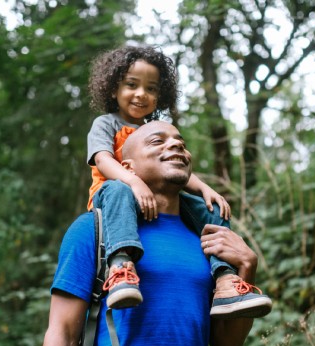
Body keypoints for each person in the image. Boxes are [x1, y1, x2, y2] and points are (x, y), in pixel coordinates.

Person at [40, 121, 272, 346]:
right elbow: (62, 335)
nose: (177, 145)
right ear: (128, 167)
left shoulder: (208, 239)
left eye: (181, 143)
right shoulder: (93, 229)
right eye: (157, 141)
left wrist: (247, 268)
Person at [86, 45, 268, 317]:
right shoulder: (106, 124)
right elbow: (103, 160)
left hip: (157, 198)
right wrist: (133, 182)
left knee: (211, 209)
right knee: (117, 189)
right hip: (114, 196)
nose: (141, 94)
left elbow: (175, 169)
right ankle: (121, 266)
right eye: (131, 85)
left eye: (151, 89)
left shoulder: (156, 129)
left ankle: (225, 281)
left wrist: (206, 189)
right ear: (113, 89)